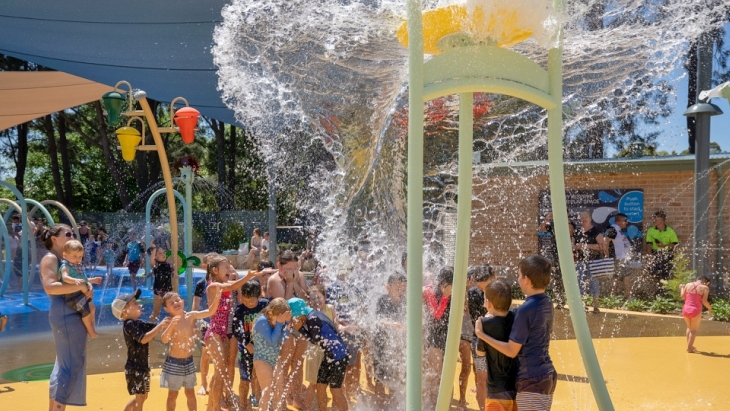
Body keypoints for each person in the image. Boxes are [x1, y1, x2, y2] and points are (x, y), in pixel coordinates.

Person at [476, 255, 557, 410]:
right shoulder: (547, 302)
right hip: (547, 374)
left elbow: (512, 351)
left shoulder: (525, 310)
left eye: (519, 276)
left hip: (531, 379)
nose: (518, 280)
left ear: (526, 279)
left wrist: (482, 335)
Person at [40, 224, 93, 409]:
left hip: (68, 312)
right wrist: (80, 287)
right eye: (68, 234)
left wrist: (86, 286)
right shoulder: (51, 258)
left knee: (63, 366)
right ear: (54, 239)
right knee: (71, 365)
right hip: (65, 313)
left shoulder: (67, 261)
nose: (72, 236)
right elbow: (50, 287)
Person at [204, 256, 263, 411]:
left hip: (223, 334)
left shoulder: (224, 284)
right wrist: (249, 276)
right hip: (214, 333)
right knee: (220, 371)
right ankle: (215, 407)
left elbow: (234, 286)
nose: (229, 270)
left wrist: (255, 276)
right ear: (215, 270)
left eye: (229, 267)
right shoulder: (214, 286)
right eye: (226, 267)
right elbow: (233, 286)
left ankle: (211, 407)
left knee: (220, 373)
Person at [160, 291, 222, 411]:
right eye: (171, 303)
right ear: (167, 309)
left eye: (177, 300)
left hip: (188, 362)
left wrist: (217, 298)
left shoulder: (190, 316)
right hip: (174, 363)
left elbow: (209, 312)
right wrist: (171, 325)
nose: (176, 303)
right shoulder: (169, 321)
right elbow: (164, 339)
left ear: (182, 301)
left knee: (190, 393)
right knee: (173, 394)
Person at [113, 289, 171, 411]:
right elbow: (143, 339)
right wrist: (160, 326)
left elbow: (156, 328)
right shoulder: (129, 324)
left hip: (142, 367)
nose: (139, 304)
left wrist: (170, 321)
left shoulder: (138, 323)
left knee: (143, 397)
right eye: (134, 303)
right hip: (134, 368)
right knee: (140, 398)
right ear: (124, 311)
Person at [288, 297, 349, 411]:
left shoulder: (312, 318)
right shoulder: (313, 314)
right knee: (320, 387)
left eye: (293, 318)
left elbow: (315, 341)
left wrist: (300, 328)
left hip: (338, 357)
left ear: (298, 315)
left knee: (335, 390)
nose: (292, 321)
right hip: (330, 355)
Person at [267, 250, 308, 408]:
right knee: (283, 364)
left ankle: (296, 397)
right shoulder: (274, 280)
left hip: (300, 324)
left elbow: (305, 298)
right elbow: (285, 304)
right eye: (288, 269)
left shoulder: (301, 276)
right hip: (283, 326)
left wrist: (295, 281)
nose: (291, 272)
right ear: (279, 265)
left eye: (295, 269)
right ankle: (281, 399)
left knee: (298, 364)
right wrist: (290, 283)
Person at [474, 279, 517, 411]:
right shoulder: (515, 317)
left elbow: (480, 352)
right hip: (515, 386)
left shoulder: (485, 324)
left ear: (488, 303)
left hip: (496, 388)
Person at [371, 272, 407, 408]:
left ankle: (392, 407)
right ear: (388, 287)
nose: (401, 292)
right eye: (398, 288)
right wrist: (391, 324)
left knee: (394, 377)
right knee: (380, 379)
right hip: (381, 343)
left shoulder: (405, 302)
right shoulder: (383, 300)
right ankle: (379, 406)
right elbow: (379, 321)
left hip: (397, 345)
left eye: (404, 289)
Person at [233, 280, 269, 411]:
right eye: (245, 300)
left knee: (259, 377)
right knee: (244, 379)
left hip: (262, 348)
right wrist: (246, 343)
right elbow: (236, 330)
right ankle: (243, 405)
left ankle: (260, 402)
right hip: (246, 349)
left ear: (259, 296)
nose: (248, 304)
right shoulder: (240, 310)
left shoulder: (265, 305)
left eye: (251, 301)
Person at [422, 266, 454, 410]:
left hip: (450, 336)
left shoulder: (456, 292)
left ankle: (445, 406)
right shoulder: (430, 291)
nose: (447, 288)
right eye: (446, 285)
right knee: (435, 374)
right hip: (434, 336)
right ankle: (432, 405)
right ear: (441, 283)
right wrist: (446, 297)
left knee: (447, 375)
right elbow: (436, 315)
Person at [252, 298, 292, 411]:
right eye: (279, 319)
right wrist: (280, 324)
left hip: (274, 359)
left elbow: (282, 339)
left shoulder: (278, 321)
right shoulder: (261, 321)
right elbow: (273, 341)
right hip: (261, 359)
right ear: (270, 313)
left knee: (279, 391)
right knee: (267, 391)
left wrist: (288, 323)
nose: (281, 322)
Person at [466, 265, 496, 411]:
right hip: (480, 342)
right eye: (482, 288)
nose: (484, 292)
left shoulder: (501, 291)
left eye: (487, 287)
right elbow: (477, 319)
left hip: (498, 342)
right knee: (482, 379)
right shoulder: (472, 293)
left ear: (494, 279)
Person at [302, 284, 337, 409]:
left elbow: (336, 326)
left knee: (331, 383)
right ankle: (307, 407)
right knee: (313, 383)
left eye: (318, 297)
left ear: (325, 297)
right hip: (315, 351)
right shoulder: (308, 313)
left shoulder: (330, 308)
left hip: (330, 350)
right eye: (313, 299)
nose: (316, 301)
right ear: (309, 302)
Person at [60, 239, 103, 338]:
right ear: (65, 255)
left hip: (81, 294)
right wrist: (74, 280)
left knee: (92, 308)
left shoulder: (77, 266)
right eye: (75, 256)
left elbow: (83, 279)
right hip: (73, 296)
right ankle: (91, 331)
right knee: (86, 311)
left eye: (80, 256)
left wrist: (93, 280)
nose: (78, 259)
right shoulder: (65, 266)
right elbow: (65, 277)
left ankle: (92, 327)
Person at [192, 252, 217, 396]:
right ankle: (203, 384)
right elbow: (195, 305)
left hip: (221, 321)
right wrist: (193, 323)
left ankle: (218, 384)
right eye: (211, 262)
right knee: (206, 354)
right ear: (204, 266)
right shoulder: (201, 283)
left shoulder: (223, 281)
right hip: (206, 322)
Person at [573, 210, 607, 313]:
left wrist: (585, 246)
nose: (583, 219)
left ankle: (595, 307)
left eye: (585, 217)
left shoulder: (595, 230)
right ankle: (582, 305)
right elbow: (573, 245)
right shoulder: (577, 232)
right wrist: (574, 246)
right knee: (580, 284)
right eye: (581, 217)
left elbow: (602, 246)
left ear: (590, 219)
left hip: (593, 262)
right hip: (580, 262)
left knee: (594, 283)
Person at [605, 213, 639, 299]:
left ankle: (612, 297)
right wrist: (607, 255)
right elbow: (605, 241)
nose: (626, 223)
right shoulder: (613, 229)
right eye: (625, 221)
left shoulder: (618, 230)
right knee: (626, 276)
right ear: (619, 221)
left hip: (621, 258)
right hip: (618, 258)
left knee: (616, 277)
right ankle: (629, 296)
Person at [680, 276, 712, 353]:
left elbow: (683, 296)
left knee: (689, 327)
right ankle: (689, 348)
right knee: (693, 330)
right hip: (695, 310)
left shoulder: (688, 284)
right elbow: (704, 301)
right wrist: (709, 308)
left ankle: (689, 345)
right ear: (707, 282)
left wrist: (681, 288)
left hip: (686, 309)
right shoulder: (705, 288)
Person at [645, 210, 679, 284]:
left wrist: (664, 245)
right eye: (653, 219)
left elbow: (675, 245)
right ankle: (659, 287)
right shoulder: (651, 230)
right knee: (653, 272)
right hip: (655, 253)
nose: (654, 221)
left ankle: (663, 290)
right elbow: (648, 244)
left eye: (656, 219)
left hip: (667, 253)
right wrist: (649, 255)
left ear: (662, 220)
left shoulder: (670, 231)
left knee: (666, 273)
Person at [150, 246, 173, 321]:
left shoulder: (168, 263)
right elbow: (151, 260)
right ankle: (150, 325)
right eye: (160, 253)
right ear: (155, 257)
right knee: (156, 311)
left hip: (169, 290)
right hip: (158, 291)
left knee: (172, 310)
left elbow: (171, 272)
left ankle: (174, 325)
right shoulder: (156, 264)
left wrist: (174, 275)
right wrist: (154, 249)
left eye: (163, 252)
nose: (163, 254)